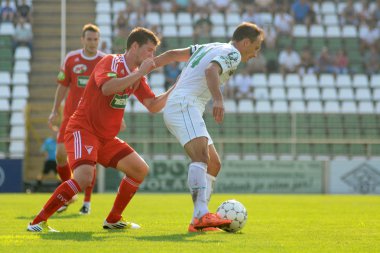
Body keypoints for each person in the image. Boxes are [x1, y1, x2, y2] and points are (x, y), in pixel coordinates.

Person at [27, 27, 186, 232]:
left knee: (140, 169)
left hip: (105, 137)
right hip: (83, 129)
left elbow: (153, 105)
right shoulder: (112, 61)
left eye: (154, 52)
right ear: (135, 47)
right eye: (149, 50)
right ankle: (37, 222)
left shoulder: (137, 75)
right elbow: (108, 88)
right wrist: (140, 73)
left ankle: (113, 219)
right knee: (84, 177)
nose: (152, 56)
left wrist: (175, 87)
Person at [163, 22, 264, 232]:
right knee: (201, 158)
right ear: (245, 42)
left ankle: (198, 221)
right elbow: (211, 70)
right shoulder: (233, 53)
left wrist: (148, 65)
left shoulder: (211, 46)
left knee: (213, 164)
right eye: (255, 48)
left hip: (183, 105)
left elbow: (173, 54)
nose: (255, 54)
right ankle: (201, 214)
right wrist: (218, 99)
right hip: (185, 104)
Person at [48, 24, 106, 215]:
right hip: (70, 117)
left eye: (95, 39)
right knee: (60, 155)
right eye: (89, 39)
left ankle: (87, 202)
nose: (92, 42)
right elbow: (63, 86)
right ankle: (69, 194)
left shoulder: (104, 60)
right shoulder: (71, 58)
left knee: (90, 160)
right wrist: (55, 110)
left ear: (99, 40)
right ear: (82, 40)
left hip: (93, 119)